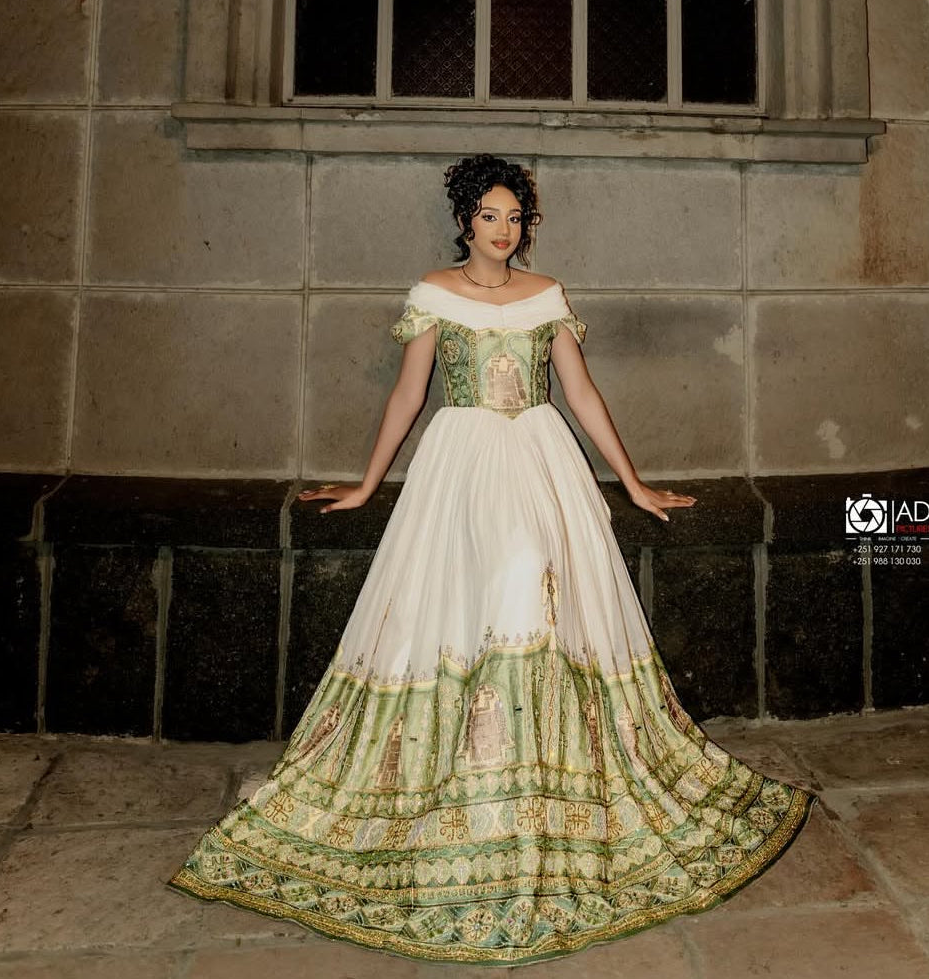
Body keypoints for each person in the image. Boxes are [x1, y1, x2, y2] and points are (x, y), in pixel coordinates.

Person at [167, 153, 817, 961]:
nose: (504, 231)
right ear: (464, 221)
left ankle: (538, 795)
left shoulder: (546, 295)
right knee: (470, 606)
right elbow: (410, 394)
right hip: (461, 461)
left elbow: (581, 394)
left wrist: (635, 483)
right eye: (490, 216)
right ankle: (472, 792)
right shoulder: (433, 293)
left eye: (516, 218)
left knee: (534, 587)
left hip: (541, 457)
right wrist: (368, 485)